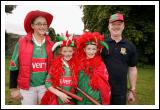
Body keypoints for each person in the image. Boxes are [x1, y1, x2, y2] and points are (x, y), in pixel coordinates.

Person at [9, 10, 54, 105]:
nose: (42, 27)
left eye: (44, 24)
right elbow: (14, 65)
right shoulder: (22, 42)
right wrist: (13, 89)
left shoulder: (51, 44)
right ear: (32, 26)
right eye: (38, 24)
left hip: (45, 86)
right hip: (27, 88)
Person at [101, 13, 138, 105]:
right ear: (109, 26)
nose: (116, 27)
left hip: (120, 92)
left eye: (119, 24)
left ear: (123, 26)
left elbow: (132, 68)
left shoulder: (130, 46)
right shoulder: (101, 45)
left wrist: (132, 90)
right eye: (113, 24)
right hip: (101, 90)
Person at [40, 32, 79, 105]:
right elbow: (48, 83)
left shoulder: (77, 64)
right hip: (58, 99)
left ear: (74, 51)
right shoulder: (55, 65)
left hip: (71, 99)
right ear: (61, 52)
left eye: (70, 51)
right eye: (65, 51)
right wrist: (60, 94)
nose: (67, 54)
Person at [76, 32, 111, 105]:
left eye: (93, 49)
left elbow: (104, 83)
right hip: (80, 98)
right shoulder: (78, 63)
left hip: (94, 99)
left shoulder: (101, 65)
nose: (91, 52)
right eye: (88, 49)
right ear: (84, 49)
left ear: (97, 50)